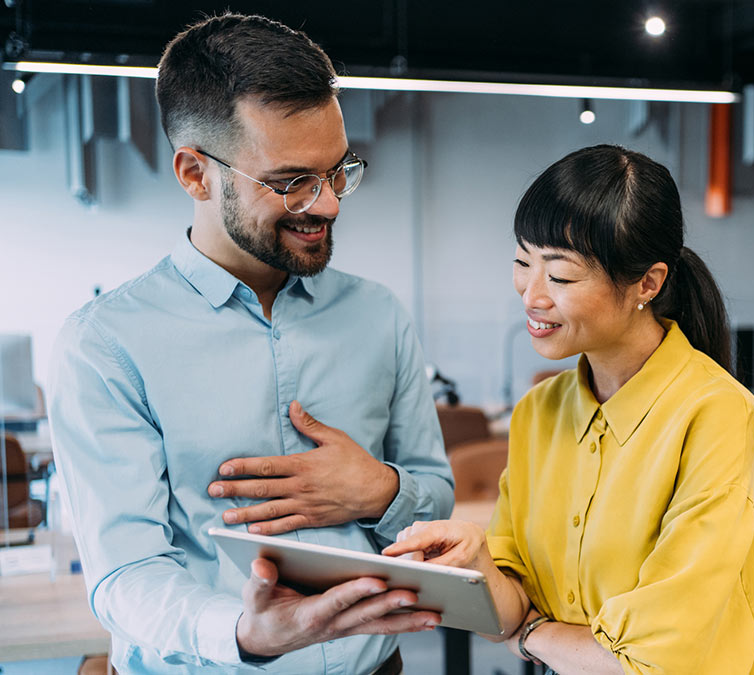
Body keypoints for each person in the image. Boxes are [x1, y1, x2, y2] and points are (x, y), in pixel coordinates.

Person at [47, 14, 453, 673]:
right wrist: (243, 631)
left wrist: (379, 491)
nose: (328, 206)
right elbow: (126, 573)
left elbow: (434, 495)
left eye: (339, 171)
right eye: (292, 181)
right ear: (194, 174)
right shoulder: (107, 344)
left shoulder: (378, 314)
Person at [385, 145, 754, 673]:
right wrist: (476, 558)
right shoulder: (537, 412)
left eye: (561, 276)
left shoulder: (716, 411)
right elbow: (507, 614)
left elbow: (650, 660)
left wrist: (533, 634)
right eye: (522, 262)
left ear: (648, 282)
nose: (531, 295)